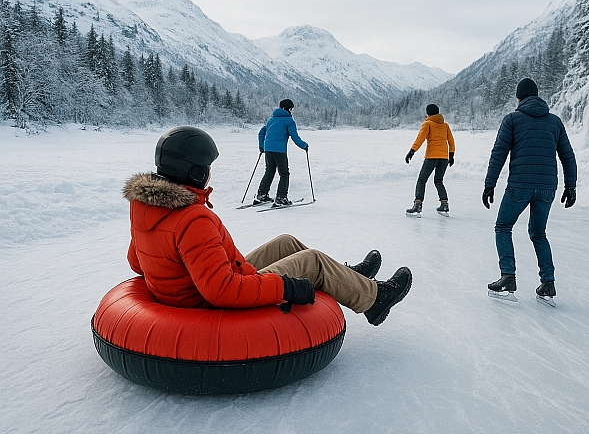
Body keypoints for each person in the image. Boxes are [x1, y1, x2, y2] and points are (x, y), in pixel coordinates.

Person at [124, 126, 412, 326]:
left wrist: (179, 272)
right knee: (314, 262)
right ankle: (375, 300)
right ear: (196, 173)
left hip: (196, 286)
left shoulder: (145, 206)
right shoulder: (192, 218)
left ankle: (347, 277)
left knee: (285, 241)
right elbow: (221, 291)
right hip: (207, 303)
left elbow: (136, 262)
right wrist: (285, 287)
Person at [482, 78, 577, 303]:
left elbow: (499, 153)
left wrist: (489, 184)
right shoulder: (555, 122)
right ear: (537, 96)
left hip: (520, 186)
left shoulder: (512, 119)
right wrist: (570, 186)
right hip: (547, 188)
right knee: (538, 233)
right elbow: (568, 156)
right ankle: (548, 283)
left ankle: (508, 277)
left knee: (503, 227)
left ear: (518, 97)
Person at [254, 99, 308, 206]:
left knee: (269, 171)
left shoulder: (271, 119)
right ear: (289, 108)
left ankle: (261, 195)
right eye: (291, 108)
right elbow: (295, 137)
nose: (292, 111)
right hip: (279, 151)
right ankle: (281, 198)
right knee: (284, 174)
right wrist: (304, 145)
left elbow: (261, 132)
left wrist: (261, 146)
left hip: (268, 149)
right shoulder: (289, 121)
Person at [404, 104, 456, 216]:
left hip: (432, 156)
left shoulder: (427, 123)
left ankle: (417, 205)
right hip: (444, 158)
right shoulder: (445, 125)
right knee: (439, 180)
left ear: (428, 113)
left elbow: (420, 139)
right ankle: (444, 205)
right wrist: (451, 155)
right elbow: (451, 141)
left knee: (422, 180)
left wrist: (412, 151)